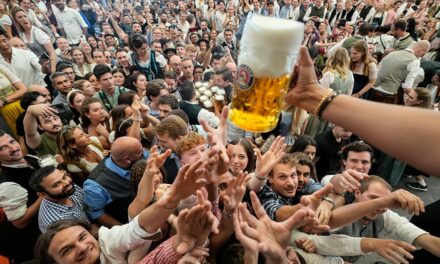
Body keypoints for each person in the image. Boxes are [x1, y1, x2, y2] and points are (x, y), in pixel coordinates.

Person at [83, 136, 147, 227]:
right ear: (127, 159)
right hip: (131, 225)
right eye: (140, 152)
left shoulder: (138, 155)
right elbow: (97, 213)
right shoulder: (95, 185)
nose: (144, 152)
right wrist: (126, 230)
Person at [0, 130, 42, 262]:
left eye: (12, 141)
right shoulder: (7, 184)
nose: (13, 148)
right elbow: (19, 222)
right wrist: (43, 197)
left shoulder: (31, 159)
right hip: (34, 244)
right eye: (2, 148)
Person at [28, 166, 90, 232]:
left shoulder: (67, 189)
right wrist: (91, 229)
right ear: (43, 194)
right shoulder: (58, 221)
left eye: (64, 177)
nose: (66, 183)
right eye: (57, 184)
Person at [11, 7, 56, 72]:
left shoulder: (36, 32)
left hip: (51, 64)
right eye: (20, 17)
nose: (24, 19)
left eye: (25, 16)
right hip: (39, 67)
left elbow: (52, 52)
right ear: (16, 21)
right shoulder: (21, 34)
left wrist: (53, 71)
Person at [0, 64, 27, 136]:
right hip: (3, 115)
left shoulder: (1, 67)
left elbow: (23, 89)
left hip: (20, 105)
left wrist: (4, 100)